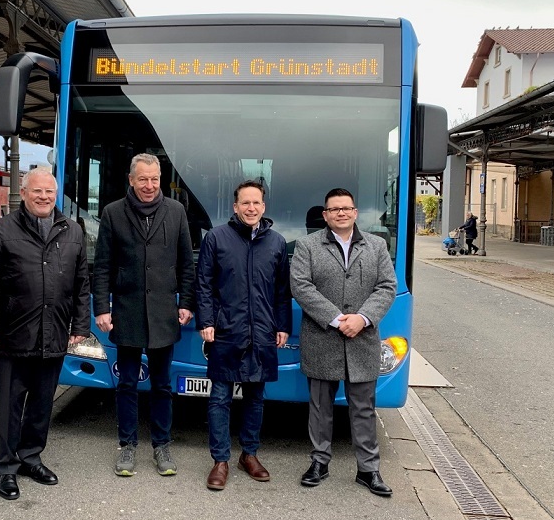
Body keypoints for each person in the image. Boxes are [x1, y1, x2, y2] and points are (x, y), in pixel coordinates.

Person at [0, 168, 90, 501]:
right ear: (24, 193)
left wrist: (81, 326)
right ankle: (6, 467)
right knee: (9, 406)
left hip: (55, 332)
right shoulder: (0, 231)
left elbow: (81, 284)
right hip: (12, 335)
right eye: (37, 191)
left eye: (49, 191)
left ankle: (31, 457)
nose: (44, 197)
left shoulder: (73, 231)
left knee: (42, 404)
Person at [92, 153, 196, 477]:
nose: (149, 186)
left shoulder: (177, 212)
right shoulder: (112, 213)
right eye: (143, 179)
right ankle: (127, 445)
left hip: (164, 312)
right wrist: (102, 308)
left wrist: (187, 302)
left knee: (163, 385)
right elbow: (102, 266)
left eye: (154, 179)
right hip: (127, 311)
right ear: (131, 179)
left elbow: (186, 265)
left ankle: (161, 445)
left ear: (160, 180)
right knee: (126, 383)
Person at [290, 188, 397, 498]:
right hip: (323, 337)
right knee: (320, 407)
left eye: (345, 208)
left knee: (363, 408)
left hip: (362, 340)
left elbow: (387, 288)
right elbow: (300, 286)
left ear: (355, 213)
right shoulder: (307, 246)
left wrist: (362, 318)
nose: (340, 213)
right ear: (324, 215)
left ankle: (368, 470)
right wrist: (338, 319)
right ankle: (319, 463)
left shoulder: (377, 246)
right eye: (333, 209)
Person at [196, 180, 291, 490]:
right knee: (220, 398)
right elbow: (204, 284)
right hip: (226, 331)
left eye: (256, 203)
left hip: (263, 331)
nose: (251, 208)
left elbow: (281, 291)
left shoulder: (276, 242)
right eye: (245, 203)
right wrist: (206, 320)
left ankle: (248, 454)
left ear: (263, 207)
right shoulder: (216, 238)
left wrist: (283, 325)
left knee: (255, 398)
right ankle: (220, 460)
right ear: (235, 207)